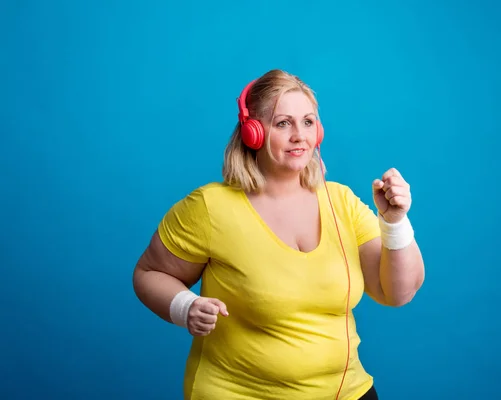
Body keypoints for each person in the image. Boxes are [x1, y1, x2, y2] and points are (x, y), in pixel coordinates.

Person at [132, 69, 425, 400]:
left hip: (347, 392)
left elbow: (397, 292)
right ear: (253, 132)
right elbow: (148, 273)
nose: (299, 135)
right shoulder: (210, 208)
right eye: (283, 123)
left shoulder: (341, 202)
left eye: (308, 122)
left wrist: (395, 222)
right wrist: (185, 306)